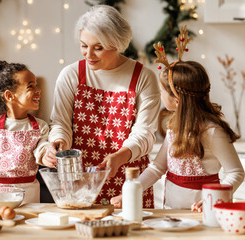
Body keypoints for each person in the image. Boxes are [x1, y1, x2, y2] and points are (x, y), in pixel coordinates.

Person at [42, 5, 161, 208]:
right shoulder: (70, 75)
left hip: (128, 179)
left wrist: (119, 157)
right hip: (78, 180)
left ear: (117, 44)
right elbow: (60, 122)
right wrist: (58, 142)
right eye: (83, 46)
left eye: (98, 48)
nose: (89, 55)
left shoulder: (143, 77)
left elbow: (145, 133)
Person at [110, 58, 245, 209]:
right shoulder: (174, 128)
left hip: (206, 213)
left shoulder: (212, 131)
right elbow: (157, 168)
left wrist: (214, 199)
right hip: (172, 214)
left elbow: (236, 172)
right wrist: (129, 193)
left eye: (161, 91)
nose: (160, 95)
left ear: (176, 100)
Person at [0, 58, 49, 203]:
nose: (38, 91)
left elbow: (42, 150)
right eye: (30, 86)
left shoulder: (41, 127)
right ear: (9, 95)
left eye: (36, 85)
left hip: (30, 193)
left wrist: (48, 156)